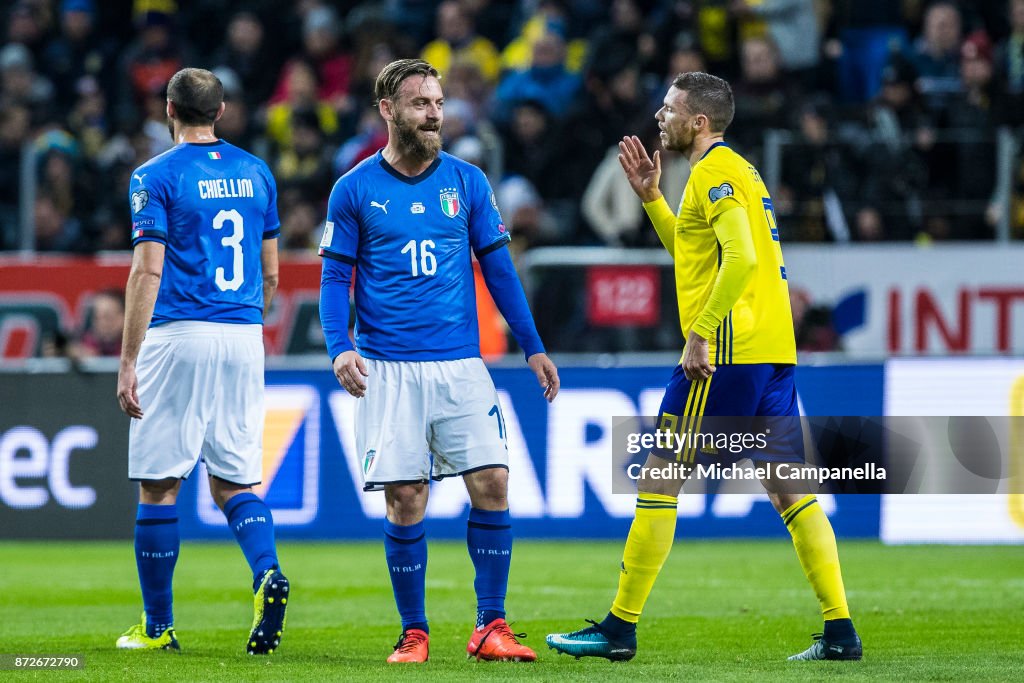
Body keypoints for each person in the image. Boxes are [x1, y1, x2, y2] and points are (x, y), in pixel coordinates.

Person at [545, 72, 862, 662]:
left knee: (660, 474)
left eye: (669, 109)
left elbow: (739, 259)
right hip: (772, 352)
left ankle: (619, 628)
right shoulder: (739, 170)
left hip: (728, 352)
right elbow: (695, 254)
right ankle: (840, 632)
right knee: (790, 489)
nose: (658, 116)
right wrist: (651, 199)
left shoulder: (714, 171)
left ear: (699, 121)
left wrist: (700, 331)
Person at [318, 58, 559, 664]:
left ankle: (491, 626)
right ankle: (415, 631)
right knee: (406, 498)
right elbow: (333, 280)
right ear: (388, 110)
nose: (434, 113)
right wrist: (339, 347)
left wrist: (533, 345)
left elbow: (500, 272)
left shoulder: (469, 182)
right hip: (387, 368)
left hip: (459, 365)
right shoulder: (353, 188)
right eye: (420, 102)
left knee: (494, 482)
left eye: (437, 101)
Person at [115, 68, 288, 655]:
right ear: (221, 111)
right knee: (235, 480)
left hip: (179, 332)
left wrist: (128, 360)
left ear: (170, 109)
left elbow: (147, 269)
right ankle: (267, 571)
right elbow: (271, 275)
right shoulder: (257, 172)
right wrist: (240, 321)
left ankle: (157, 627)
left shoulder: (153, 176)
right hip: (243, 334)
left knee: (160, 486)